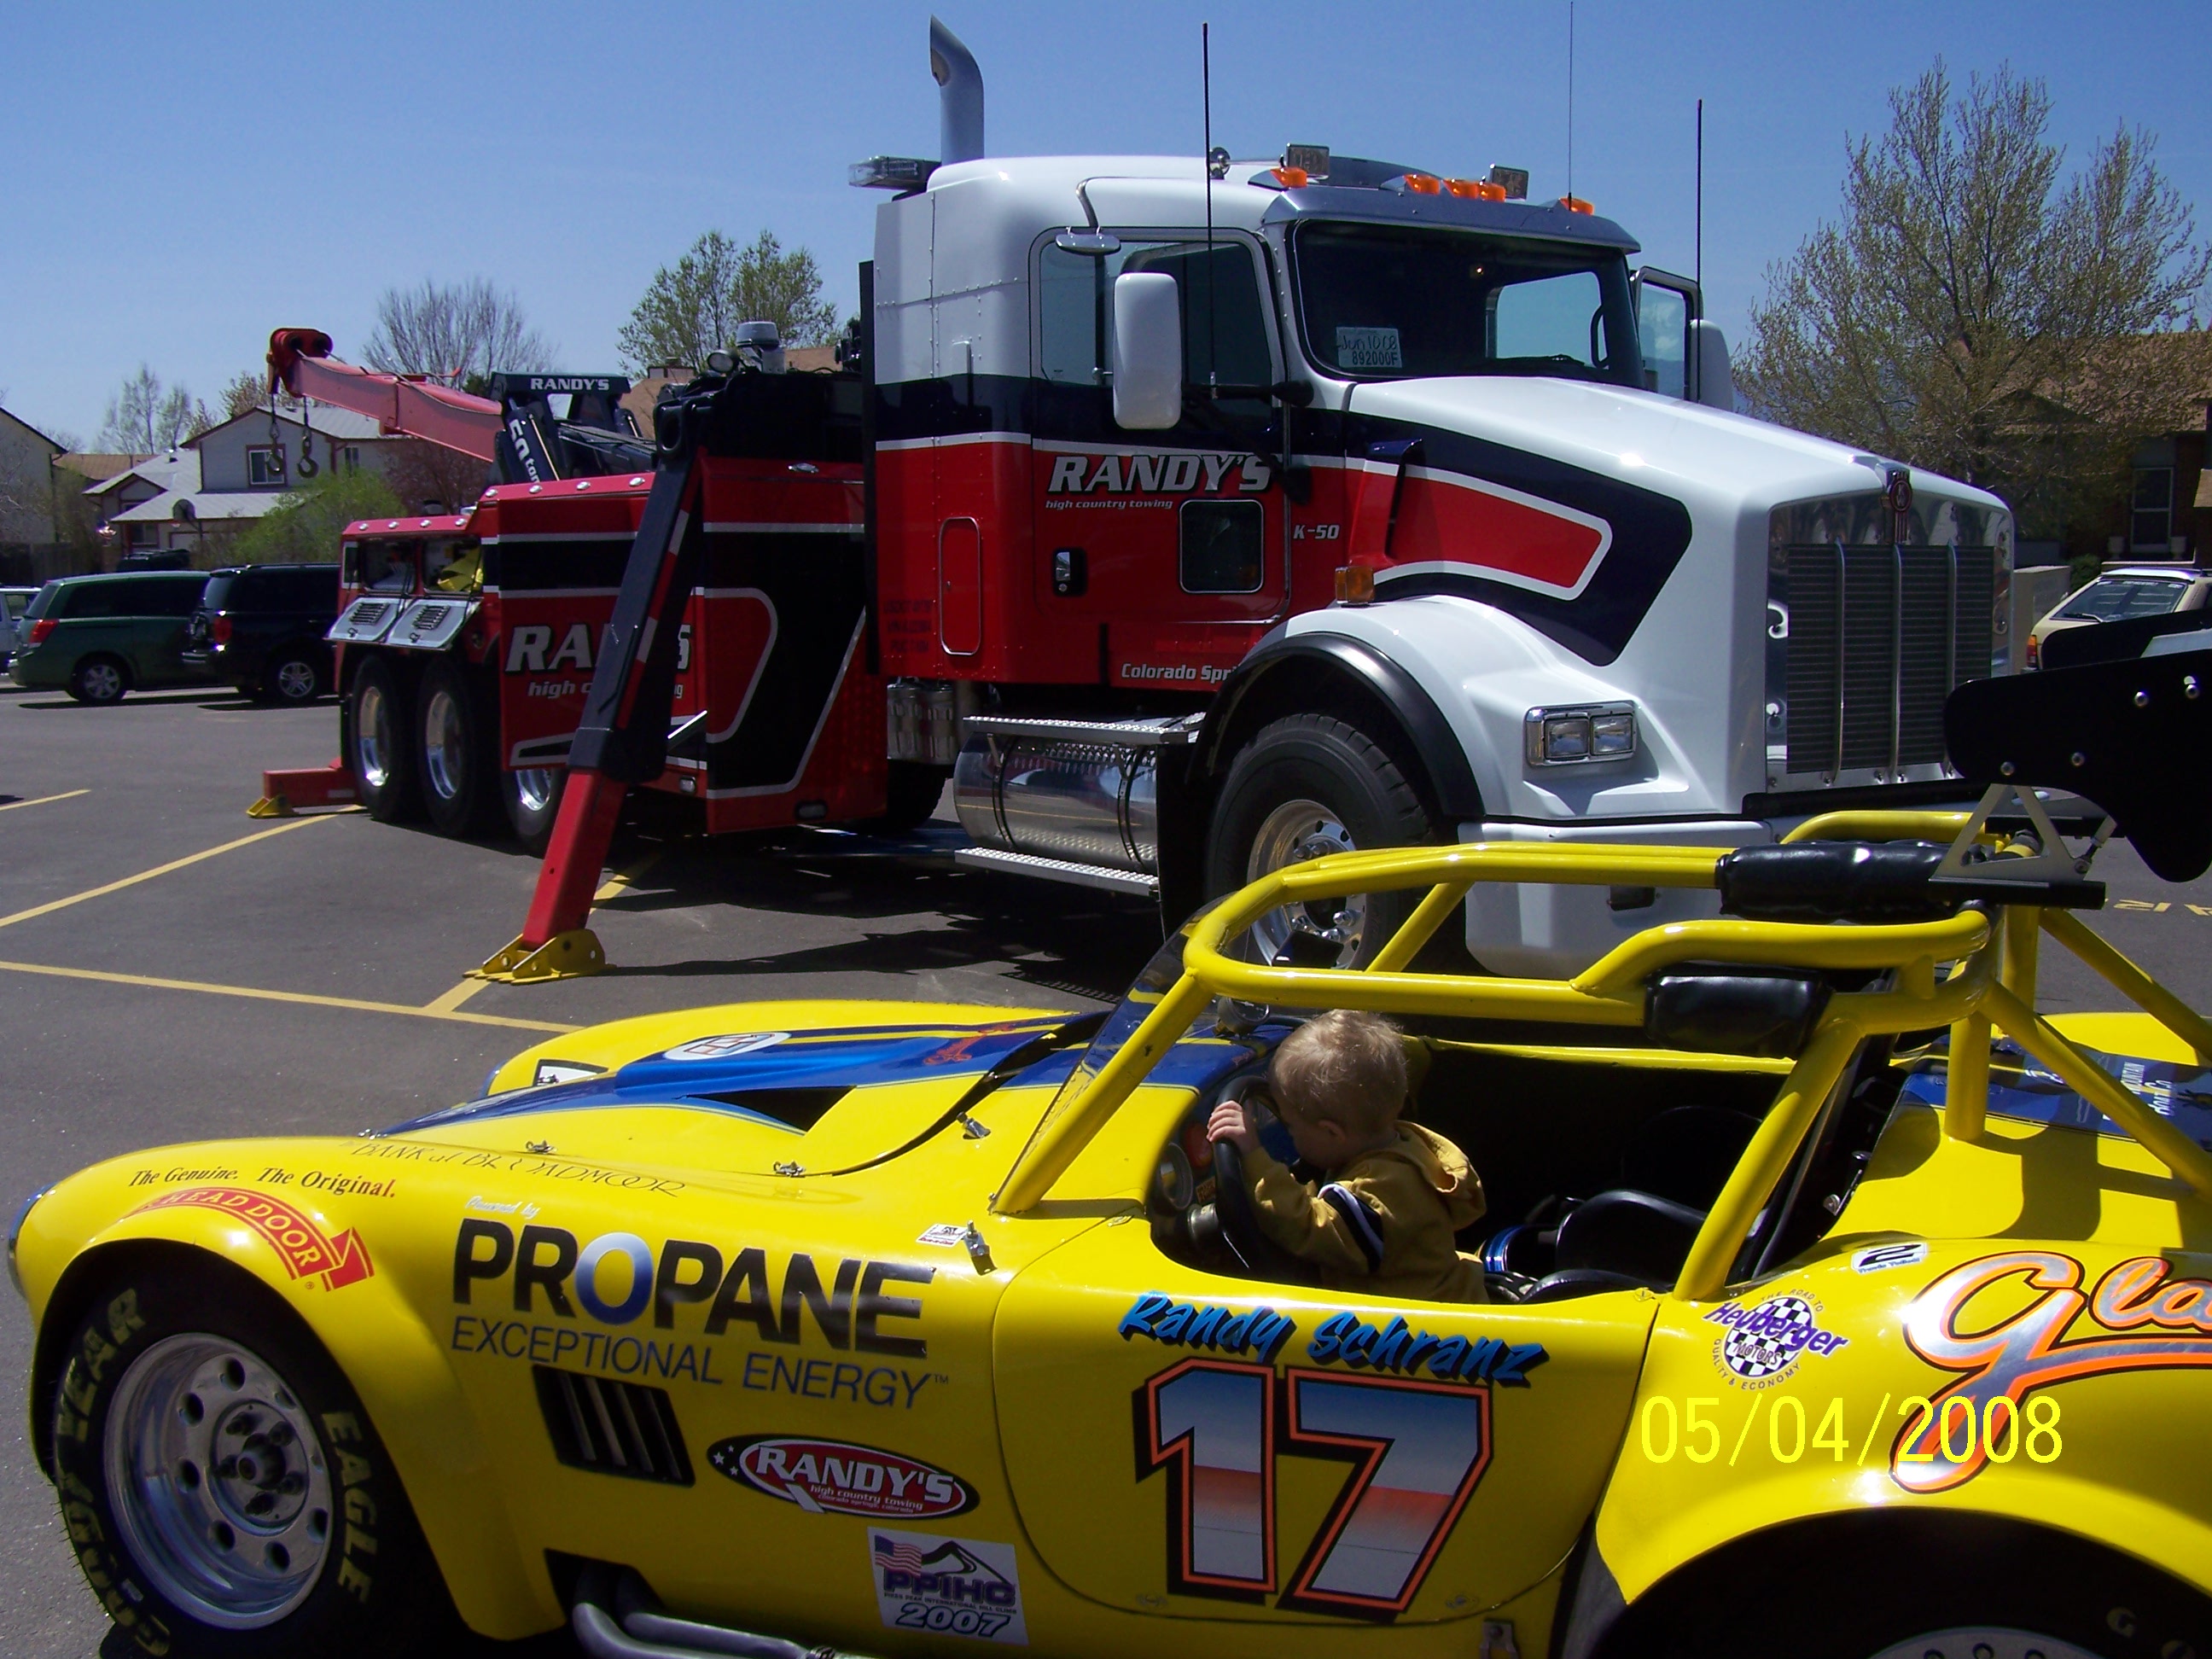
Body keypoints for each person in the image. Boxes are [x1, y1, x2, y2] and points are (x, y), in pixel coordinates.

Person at [1207, 1009, 1487, 1302]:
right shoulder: (1409, 1145)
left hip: (1420, 1319)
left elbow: (1308, 1228)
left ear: (1332, 1133)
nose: (1290, 1135)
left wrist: (1255, 1158)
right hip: (1444, 1292)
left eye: (1290, 1126)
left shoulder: (1377, 1192)